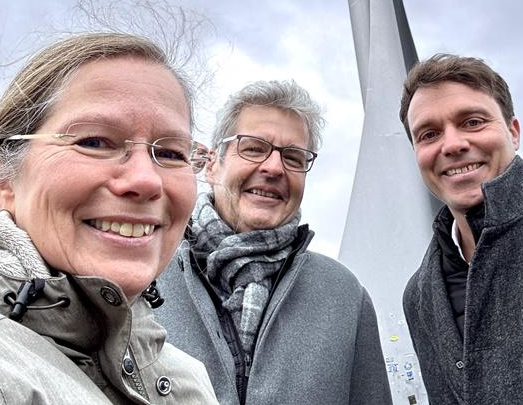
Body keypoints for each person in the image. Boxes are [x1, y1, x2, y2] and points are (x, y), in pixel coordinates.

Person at [0, 33, 218, 404]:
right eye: (93, 142)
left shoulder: (187, 377)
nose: (146, 180)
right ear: (2, 179)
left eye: (170, 153)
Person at [156, 80, 392, 405]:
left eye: (294, 157)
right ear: (212, 165)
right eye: (253, 148)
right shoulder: (144, 280)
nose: (273, 167)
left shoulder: (344, 296)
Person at [400, 53, 523, 404]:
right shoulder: (419, 295)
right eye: (429, 134)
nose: (452, 145)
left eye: (473, 122)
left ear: (514, 132)